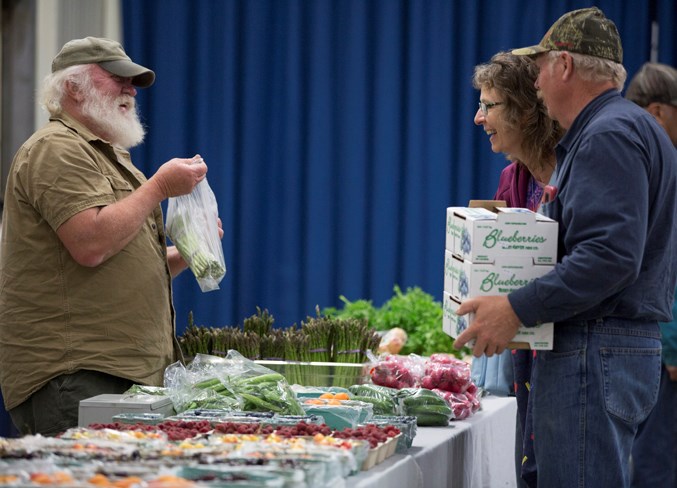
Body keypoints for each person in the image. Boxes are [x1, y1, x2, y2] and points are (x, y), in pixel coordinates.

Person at [454, 7, 677, 488]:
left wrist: (515, 307)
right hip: (608, 350)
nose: (534, 80)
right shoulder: (624, 128)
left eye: (538, 67)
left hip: (594, 350)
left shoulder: (608, 135)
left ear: (565, 65)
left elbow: (609, 257)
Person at [0, 37, 217, 436]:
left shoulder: (107, 156)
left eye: (132, 81)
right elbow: (92, 245)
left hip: (115, 374)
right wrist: (159, 187)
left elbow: (123, 267)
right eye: (117, 78)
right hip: (77, 375)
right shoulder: (55, 148)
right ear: (73, 86)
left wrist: (188, 253)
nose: (130, 89)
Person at [472, 52, 564, 488]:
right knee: (529, 474)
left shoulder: (577, 168)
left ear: (528, 110)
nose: (478, 117)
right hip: (527, 358)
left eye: (489, 105)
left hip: (573, 355)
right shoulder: (513, 179)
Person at [625, 62, 677, 488]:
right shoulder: (662, 165)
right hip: (662, 345)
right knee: (657, 460)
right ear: (659, 111)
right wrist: (674, 343)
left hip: (646, 337)